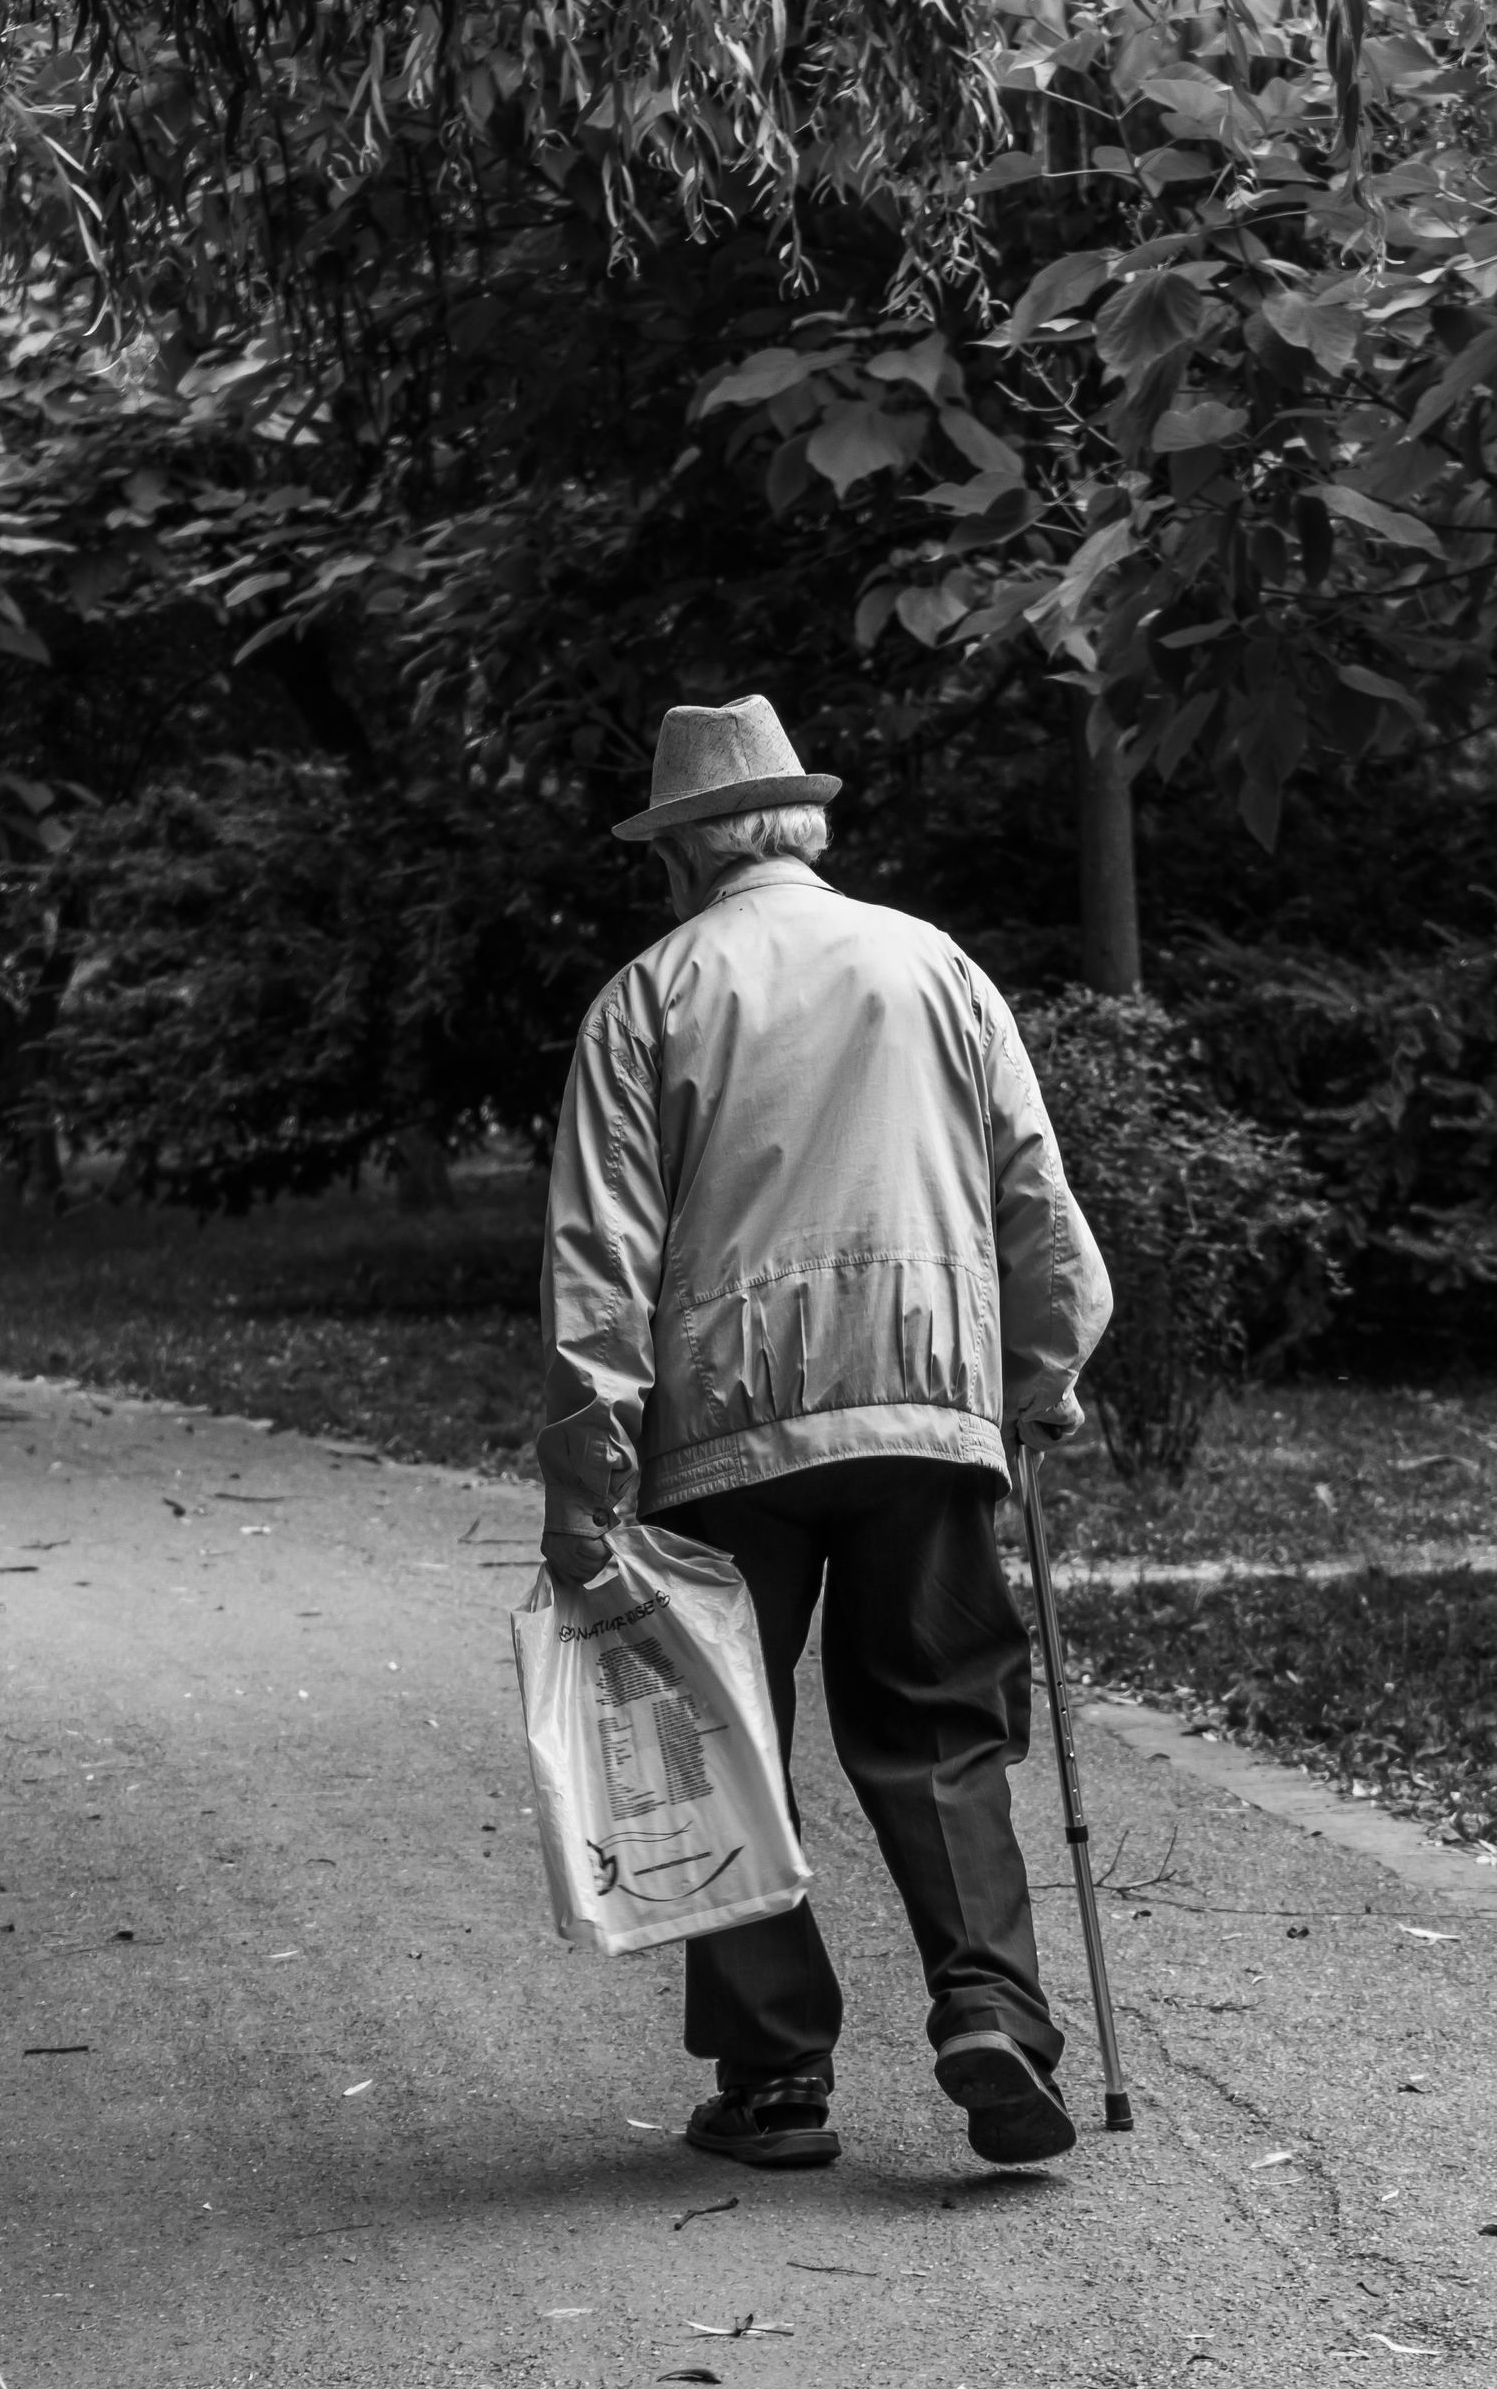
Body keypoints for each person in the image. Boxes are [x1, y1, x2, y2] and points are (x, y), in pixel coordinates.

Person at [539, 696, 1112, 2171]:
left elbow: (601, 1263)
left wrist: (587, 1484)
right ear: (803, 825)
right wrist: (1039, 1381)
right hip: (923, 1408)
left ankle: (776, 2078)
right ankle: (988, 2009)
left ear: (680, 854)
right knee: (936, 1724)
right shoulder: (934, 965)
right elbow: (1033, 1196)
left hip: (722, 1434)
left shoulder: (649, 996)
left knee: (722, 1739)